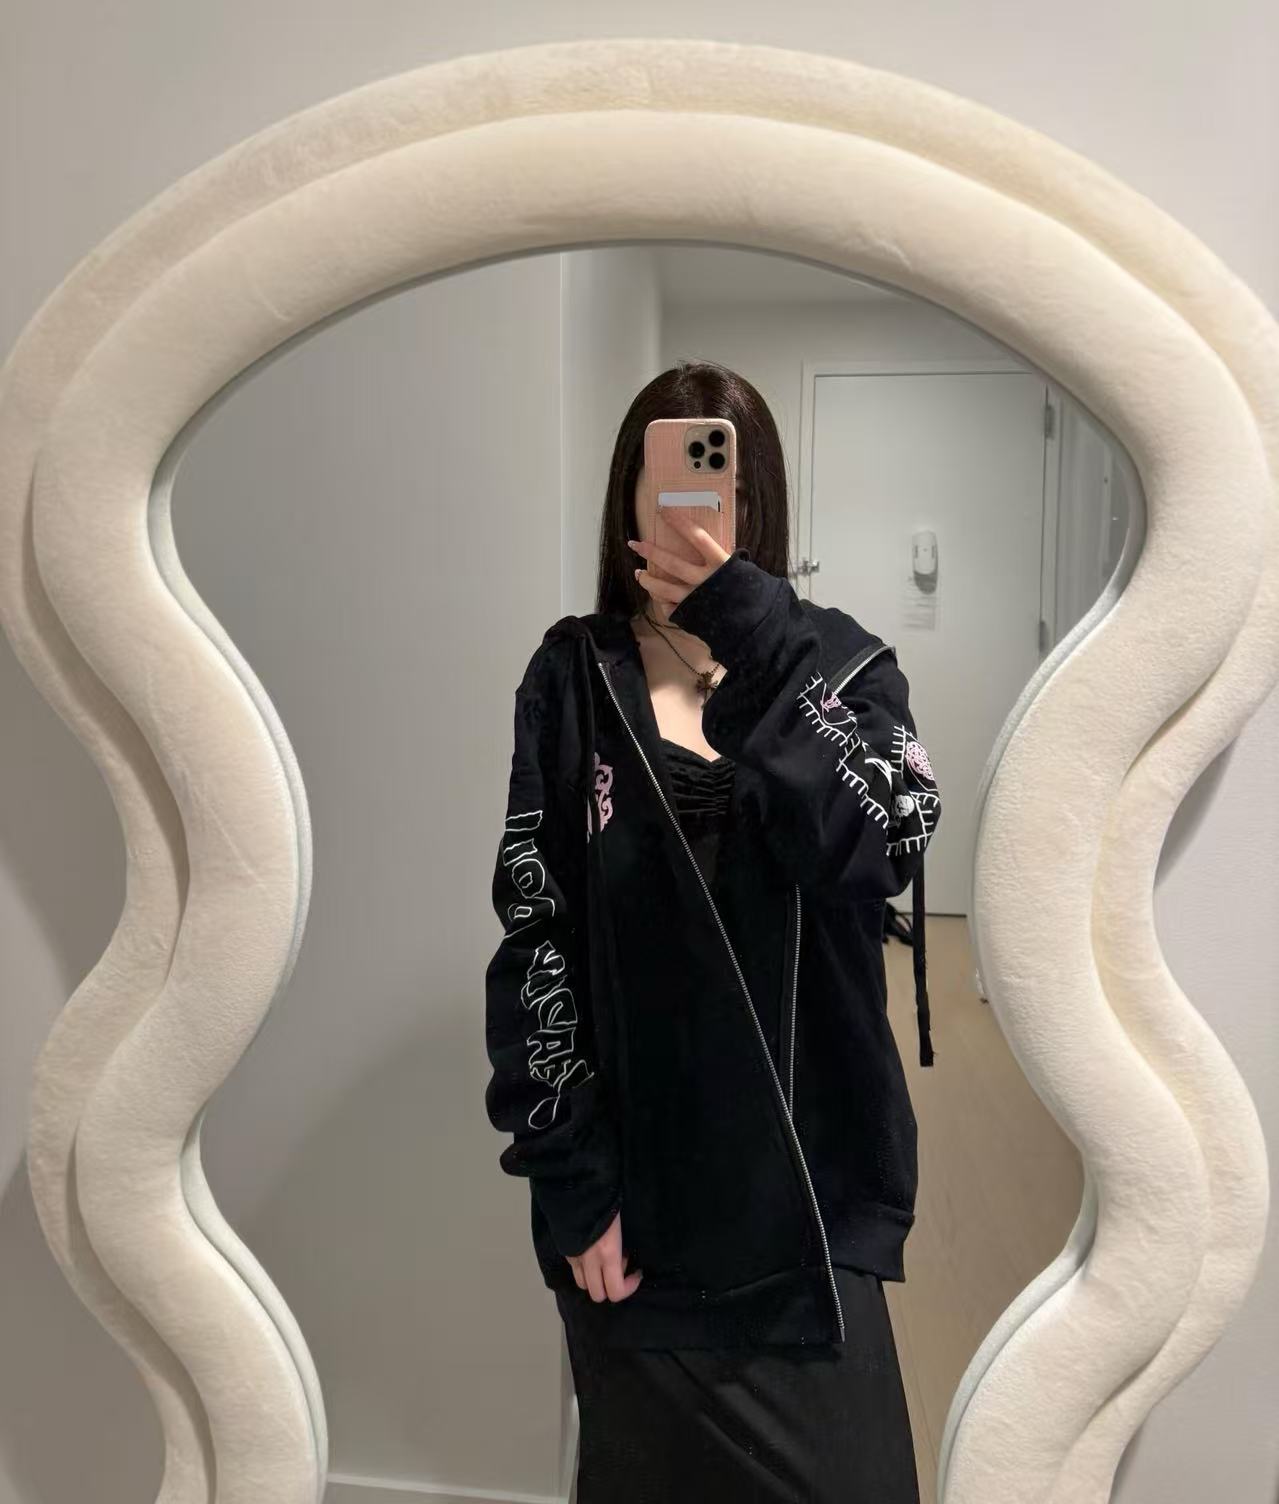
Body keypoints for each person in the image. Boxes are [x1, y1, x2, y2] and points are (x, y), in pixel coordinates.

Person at [484, 360, 941, 1502]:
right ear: (629, 496)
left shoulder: (839, 664)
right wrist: (570, 1177)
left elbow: (883, 840)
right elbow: (536, 931)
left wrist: (751, 631)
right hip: (636, 1215)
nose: (695, 510)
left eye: (720, 483)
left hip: (811, 1197)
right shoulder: (572, 675)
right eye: (671, 479)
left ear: (756, 498)